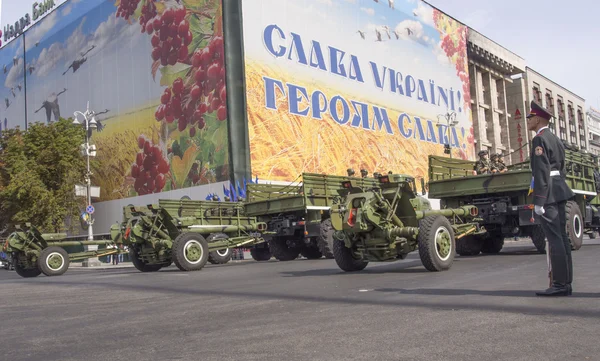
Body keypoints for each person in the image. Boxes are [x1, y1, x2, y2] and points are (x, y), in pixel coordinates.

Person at [526, 100, 575, 296]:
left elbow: (541, 171)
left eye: (530, 117)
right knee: (562, 238)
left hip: (548, 195)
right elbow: (560, 168)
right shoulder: (554, 138)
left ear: (537, 119)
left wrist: (539, 200)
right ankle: (566, 282)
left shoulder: (539, 139)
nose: (528, 120)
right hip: (559, 190)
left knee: (554, 239)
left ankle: (559, 285)